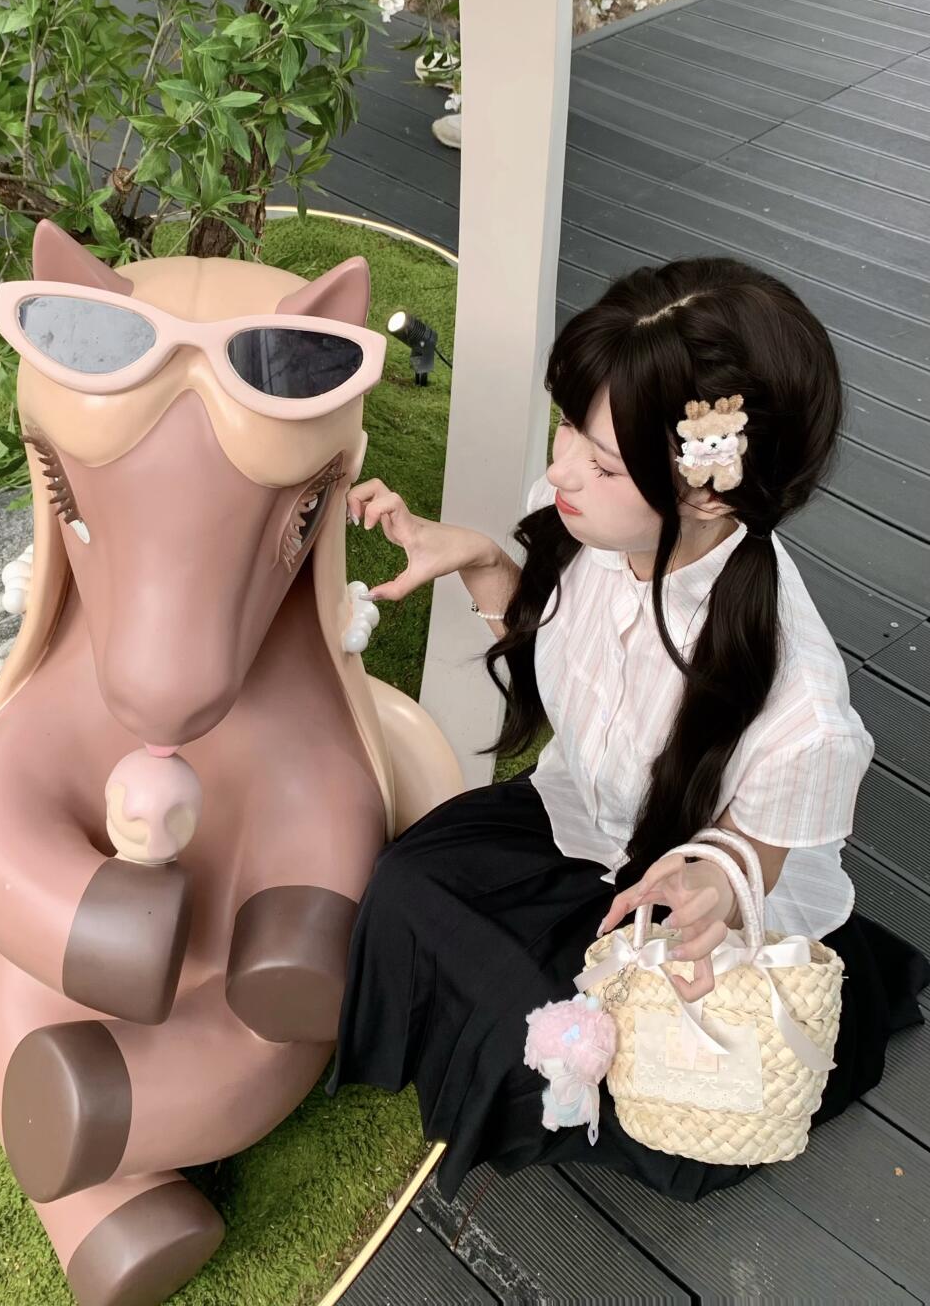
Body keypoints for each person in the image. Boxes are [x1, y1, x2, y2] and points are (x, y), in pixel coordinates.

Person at [326, 256, 930, 1203]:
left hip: (676, 887)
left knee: (649, 1083)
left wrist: (711, 885)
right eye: (569, 424)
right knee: (409, 885)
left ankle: (847, 1016)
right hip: (585, 818)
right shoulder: (589, 522)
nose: (560, 467)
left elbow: (748, 855)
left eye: (601, 460)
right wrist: (479, 559)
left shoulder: (800, 706)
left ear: (708, 491)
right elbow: (566, 652)